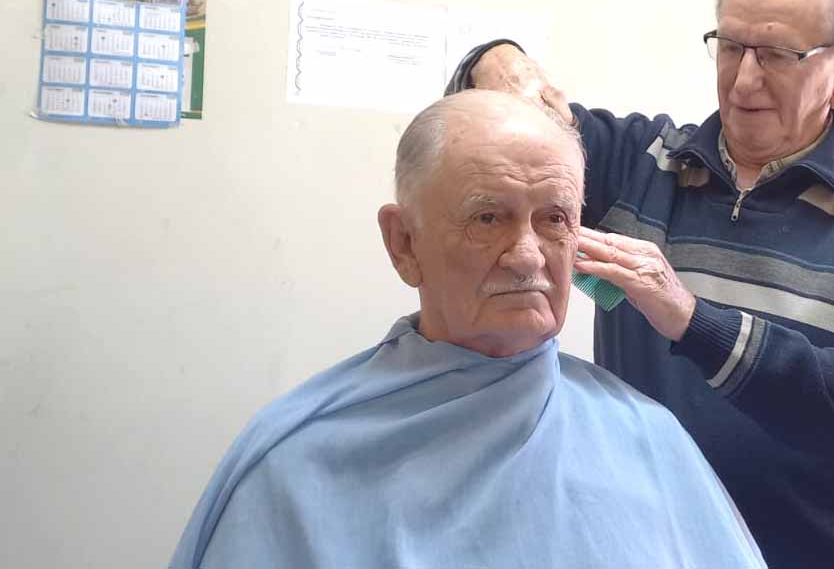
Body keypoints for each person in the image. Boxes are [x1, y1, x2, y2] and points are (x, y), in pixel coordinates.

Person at [448, 0, 834, 568]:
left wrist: (693, 320)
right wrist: (492, 61)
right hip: (656, 552)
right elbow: (487, 133)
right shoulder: (639, 164)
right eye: (732, 46)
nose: (743, 80)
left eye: (777, 55)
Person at [169, 91, 765, 569]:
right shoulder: (299, 461)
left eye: (554, 219)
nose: (527, 256)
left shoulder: (649, 441)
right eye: (487, 218)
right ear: (404, 243)